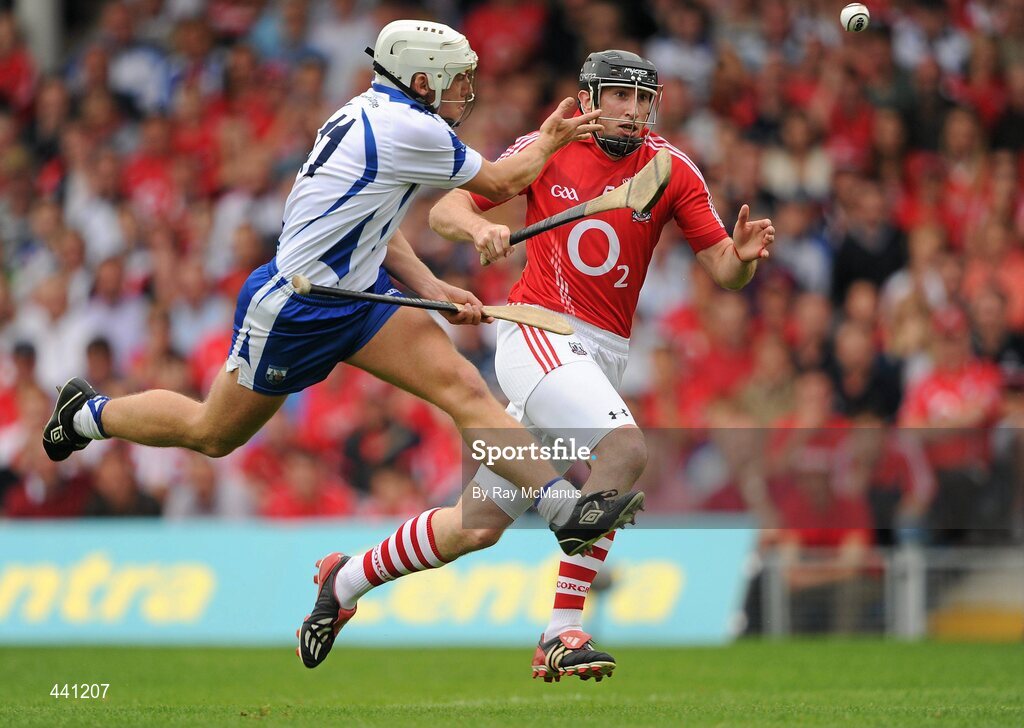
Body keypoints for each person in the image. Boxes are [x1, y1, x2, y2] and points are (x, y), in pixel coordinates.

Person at [41, 21, 645, 669]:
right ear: (421, 81)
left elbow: (380, 224)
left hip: (362, 298)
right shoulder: (410, 127)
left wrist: (433, 284)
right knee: (210, 432)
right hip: (295, 308)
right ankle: (86, 414)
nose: (462, 89)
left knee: (464, 391)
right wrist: (552, 139)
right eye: (454, 78)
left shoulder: (374, 113)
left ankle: (561, 510)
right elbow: (498, 186)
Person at [429, 49, 775, 681]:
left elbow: (724, 270)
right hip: (539, 332)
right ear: (589, 98)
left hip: (603, 356)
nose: (632, 110)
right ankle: (560, 632)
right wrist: (478, 232)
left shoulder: (672, 170)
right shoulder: (546, 143)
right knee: (624, 452)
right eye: (620, 96)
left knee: (473, 527)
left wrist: (745, 258)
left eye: (643, 99)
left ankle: (342, 581)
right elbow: (447, 209)